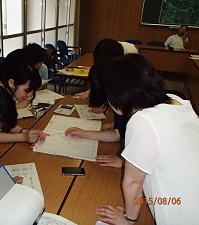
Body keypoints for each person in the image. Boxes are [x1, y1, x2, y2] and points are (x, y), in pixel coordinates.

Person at [96, 54, 199, 224]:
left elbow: (133, 183)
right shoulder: (179, 102)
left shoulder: (142, 120)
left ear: (118, 96)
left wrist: (128, 219)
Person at [66, 38, 128, 168]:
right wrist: (116, 125)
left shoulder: (126, 102)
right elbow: (117, 134)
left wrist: (125, 162)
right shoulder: (121, 88)